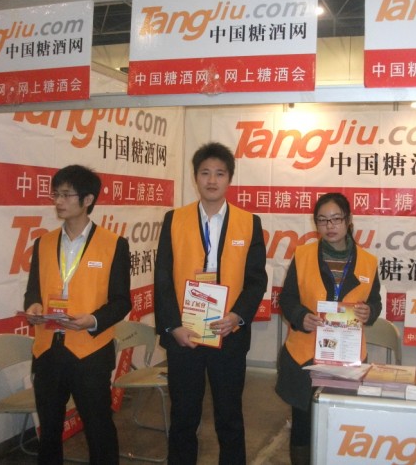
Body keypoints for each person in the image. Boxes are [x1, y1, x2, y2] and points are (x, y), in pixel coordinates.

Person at [154, 141, 268, 465]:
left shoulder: (249, 222)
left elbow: (256, 280)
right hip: (185, 335)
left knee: (229, 418)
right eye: (205, 173)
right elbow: (162, 277)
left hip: (228, 333)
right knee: (183, 417)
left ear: (229, 178)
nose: (212, 180)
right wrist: (173, 326)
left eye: (220, 173)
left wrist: (237, 316)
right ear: (195, 178)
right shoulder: (174, 219)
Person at [23, 165, 131, 465]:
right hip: (48, 351)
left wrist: (92, 320)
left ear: (88, 200)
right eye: (55, 194)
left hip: (90, 352)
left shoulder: (114, 244)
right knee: (49, 433)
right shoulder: (43, 243)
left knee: (99, 429)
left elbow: (122, 302)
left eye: (66, 195)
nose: (58, 201)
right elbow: (33, 291)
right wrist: (33, 306)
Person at [275, 192, 382, 465]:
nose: (330, 226)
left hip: (347, 358)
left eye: (336, 219)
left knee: (341, 426)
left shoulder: (368, 261)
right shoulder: (303, 255)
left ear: (348, 220)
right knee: (303, 424)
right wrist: (300, 316)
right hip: (305, 356)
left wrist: (369, 312)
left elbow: (375, 302)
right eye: (322, 220)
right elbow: (287, 299)